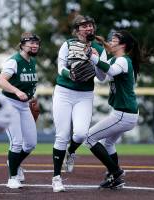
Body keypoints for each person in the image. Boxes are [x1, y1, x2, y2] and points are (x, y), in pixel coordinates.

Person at [51, 14, 107, 192]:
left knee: (81, 134)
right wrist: (70, 74)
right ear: (77, 30)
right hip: (64, 93)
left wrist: (95, 59)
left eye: (90, 25)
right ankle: (56, 178)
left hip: (84, 94)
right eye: (84, 26)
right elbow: (60, 68)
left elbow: (102, 77)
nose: (88, 28)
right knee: (62, 135)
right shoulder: (67, 44)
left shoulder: (99, 48)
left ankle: (72, 151)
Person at [85, 30, 142, 189]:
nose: (111, 40)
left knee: (89, 137)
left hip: (124, 115)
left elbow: (111, 71)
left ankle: (115, 172)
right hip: (123, 113)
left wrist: (93, 57)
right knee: (108, 143)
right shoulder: (115, 59)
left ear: (123, 44)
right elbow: (102, 76)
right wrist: (94, 59)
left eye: (115, 39)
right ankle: (115, 179)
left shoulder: (123, 61)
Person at [0, 32, 40, 189]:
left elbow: (28, 83)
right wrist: (16, 91)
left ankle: (14, 162)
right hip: (9, 104)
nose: (34, 45)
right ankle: (12, 177)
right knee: (16, 142)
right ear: (22, 45)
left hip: (23, 106)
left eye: (36, 43)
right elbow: (1, 81)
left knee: (30, 144)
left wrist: (32, 97)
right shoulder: (14, 61)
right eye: (31, 43)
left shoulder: (31, 61)